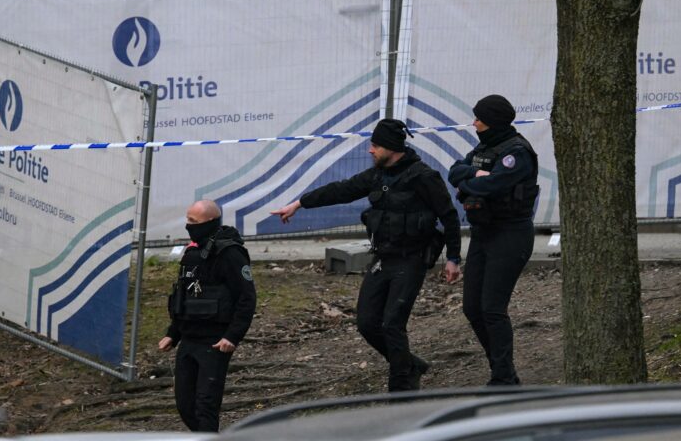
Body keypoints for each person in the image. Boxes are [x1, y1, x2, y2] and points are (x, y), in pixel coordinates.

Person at [271, 119, 462, 392]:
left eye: (376, 145)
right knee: (367, 323)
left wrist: (453, 258)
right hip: (383, 258)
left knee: (392, 324)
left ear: (392, 148)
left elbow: (449, 217)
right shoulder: (377, 176)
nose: (370, 150)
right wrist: (299, 203)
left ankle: (402, 391)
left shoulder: (423, 177)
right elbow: (341, 190)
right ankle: (409, 364)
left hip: (412, 259)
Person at [448, 94, 539, 386]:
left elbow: (493, 185)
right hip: (483, 234)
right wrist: (474, 173)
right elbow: (454, 172)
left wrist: (472, 182)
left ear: (493, 122)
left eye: (479, 119)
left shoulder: (517, 152)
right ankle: (503, 371)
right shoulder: (485, 147)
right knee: (472, 308)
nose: (474, 123)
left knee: (491, 308)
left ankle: (503, 378)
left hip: (510, 235)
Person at [158, 199, 256, 432]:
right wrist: (173, 333)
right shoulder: (192, 252)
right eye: (188, 219)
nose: (188, 225)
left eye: (193, 221)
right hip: (189, 340)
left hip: (215, 342)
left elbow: (246, 298)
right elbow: (184, 295)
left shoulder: (230, 253)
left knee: (205, 405)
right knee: (185, 405)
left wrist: (232, 336)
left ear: (210, 222)